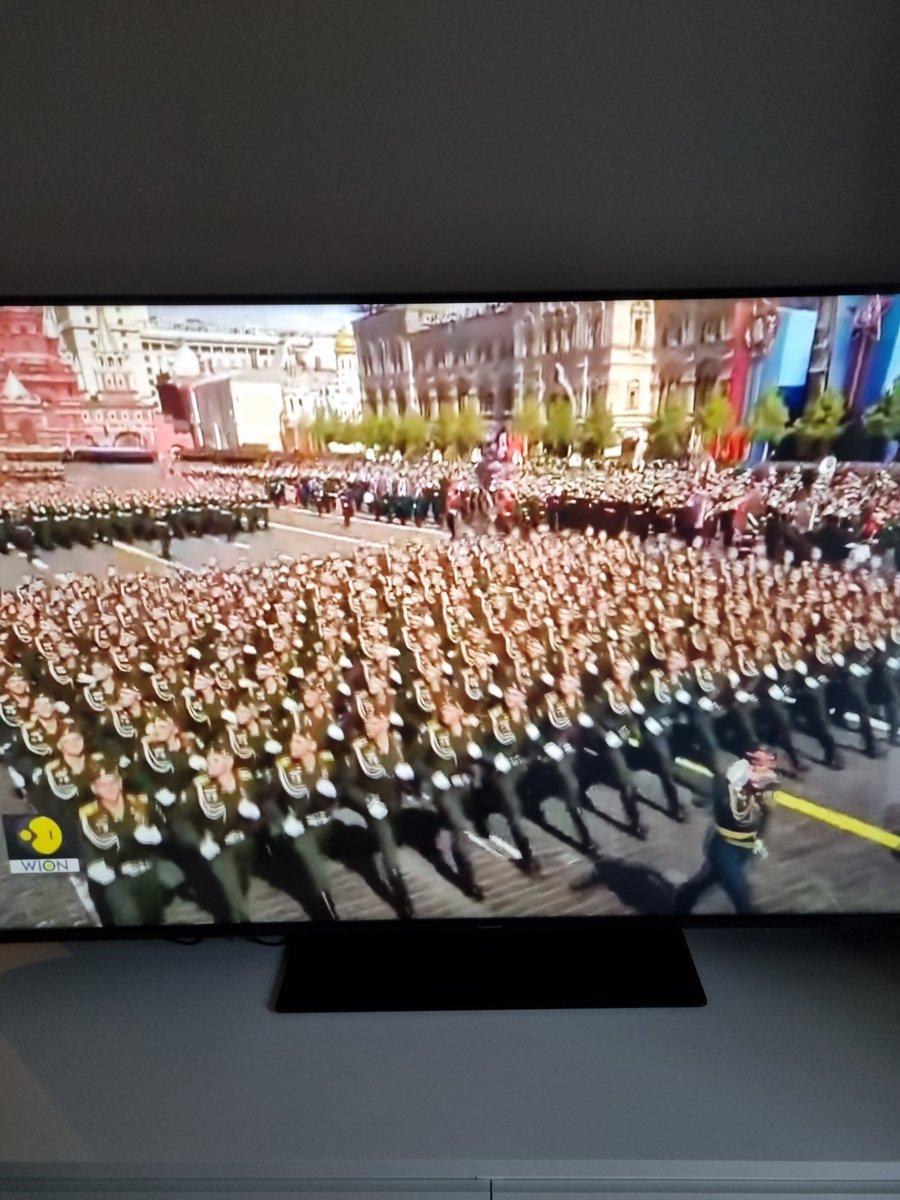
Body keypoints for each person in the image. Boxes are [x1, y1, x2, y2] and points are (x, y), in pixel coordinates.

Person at [673, 750, 776, 914]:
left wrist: (759, 839)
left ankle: (684, 898)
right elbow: (716, 804)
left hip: (745, 847)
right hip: (725, 846)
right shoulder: (729, 784)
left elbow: (766, 814)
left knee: (713, 876)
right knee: (741, 896)